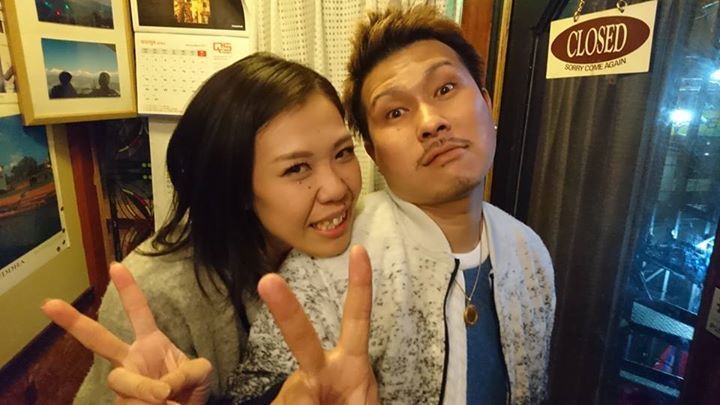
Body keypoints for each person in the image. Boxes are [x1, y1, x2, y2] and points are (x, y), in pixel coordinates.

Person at [230, 5, 556, 404]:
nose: (431, 122)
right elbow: (255, 391)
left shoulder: (530, 253)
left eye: (445, 89)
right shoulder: (329, 270)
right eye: (395, 111)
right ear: (373, 153)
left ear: (486, 103)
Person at [42, 52, 363, 404]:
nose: (336, 189)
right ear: (235, 186)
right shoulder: (157, 295)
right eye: (297, 168)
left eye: (343, 152)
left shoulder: (364, 234)